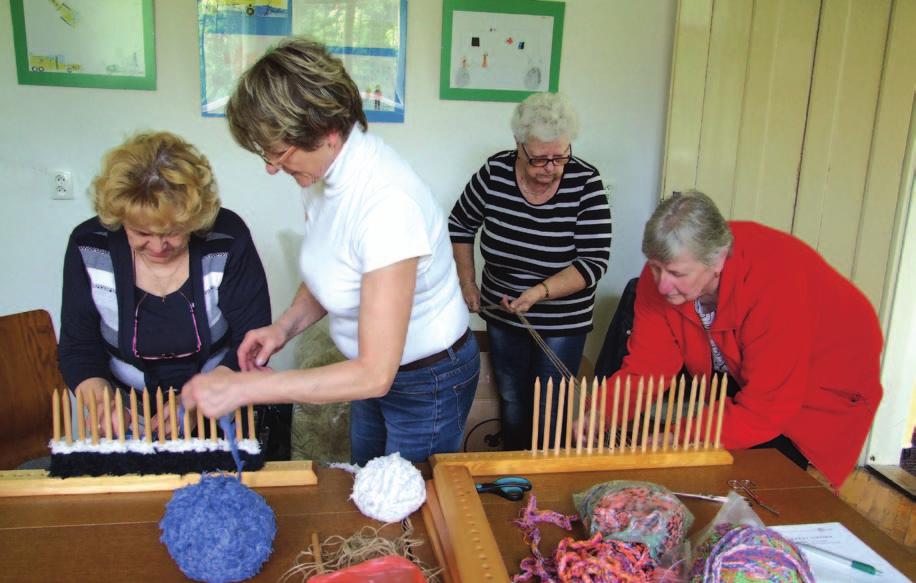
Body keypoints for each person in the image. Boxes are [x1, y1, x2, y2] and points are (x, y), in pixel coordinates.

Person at [181, 38, 479, 466]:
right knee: (366, 482)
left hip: (425, 381)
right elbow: (333, 271)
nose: (270, 166)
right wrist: (282, 329)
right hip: (369, 372)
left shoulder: (387, 205)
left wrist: (247, 388)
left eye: (278, 151)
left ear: (325, 131)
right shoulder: (322, 179)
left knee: (408, 513)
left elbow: (375, 375)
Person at [603, 191, 882, 488]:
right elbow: (648, 365)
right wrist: (601, 412)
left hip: (825, 380)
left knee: (780, 488)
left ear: (718, 259)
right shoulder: (662, 273)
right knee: (727, 474)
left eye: (675, 273)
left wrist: (678, 436)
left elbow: (768, 406)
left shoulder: (774, 280)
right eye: (655, 268)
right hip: (755, 377)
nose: (661, 284)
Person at [59, 131, 271, 438]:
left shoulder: (227, 238)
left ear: (195, 218)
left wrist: (206, 396)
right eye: (142, 233)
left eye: (173, 231)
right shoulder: (89, 247)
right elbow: (79, 348)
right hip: (129, 414)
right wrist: (103, 403)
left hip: (219, 402)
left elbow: (251, 339)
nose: (158, 247)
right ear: (120, 218)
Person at [448, 92, 612, 451]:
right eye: (539, 159)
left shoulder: (586, 183)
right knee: (512, 398)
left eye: (560, 156)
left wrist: (539, 293)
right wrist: (468, 283)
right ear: (519, 146)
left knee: (551, 408)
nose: (551, 167)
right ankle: (516, 469)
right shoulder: (494, 173)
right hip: (504, 311)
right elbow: (460, 224)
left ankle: (545, 477)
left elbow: (593, 261)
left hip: (563, 320)